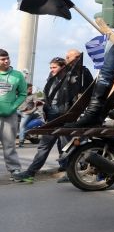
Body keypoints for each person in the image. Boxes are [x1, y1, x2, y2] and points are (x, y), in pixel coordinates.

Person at [14, 51, 93, 183]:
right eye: (50, 67)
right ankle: (35, 172)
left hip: (65, 116)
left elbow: (87, 90)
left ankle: (67, 172)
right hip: (52, 116)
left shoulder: (76, 75)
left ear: (63, 66)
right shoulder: (52, 77)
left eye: (54, 67)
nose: (52, 70)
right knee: (53, 145)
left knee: (63, 145)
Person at [0, 49, 27, 180]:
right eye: (2, 59)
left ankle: (15, 170)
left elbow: (22, 94)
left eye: (7, 58)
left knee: (9, 144)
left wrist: (13, 107)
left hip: (9, 115)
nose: (6, 61)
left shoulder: (18, 75)